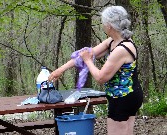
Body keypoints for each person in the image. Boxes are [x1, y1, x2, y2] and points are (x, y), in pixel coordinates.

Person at [48, 6, 143, 135]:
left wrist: (88, 61)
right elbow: (86, 54)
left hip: (123, 98)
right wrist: (60, 70)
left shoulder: (122, 49)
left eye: (103, 23)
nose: (103, 25)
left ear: (109, 25)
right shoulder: (113, 41)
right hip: (126, 96)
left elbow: (100, 77)